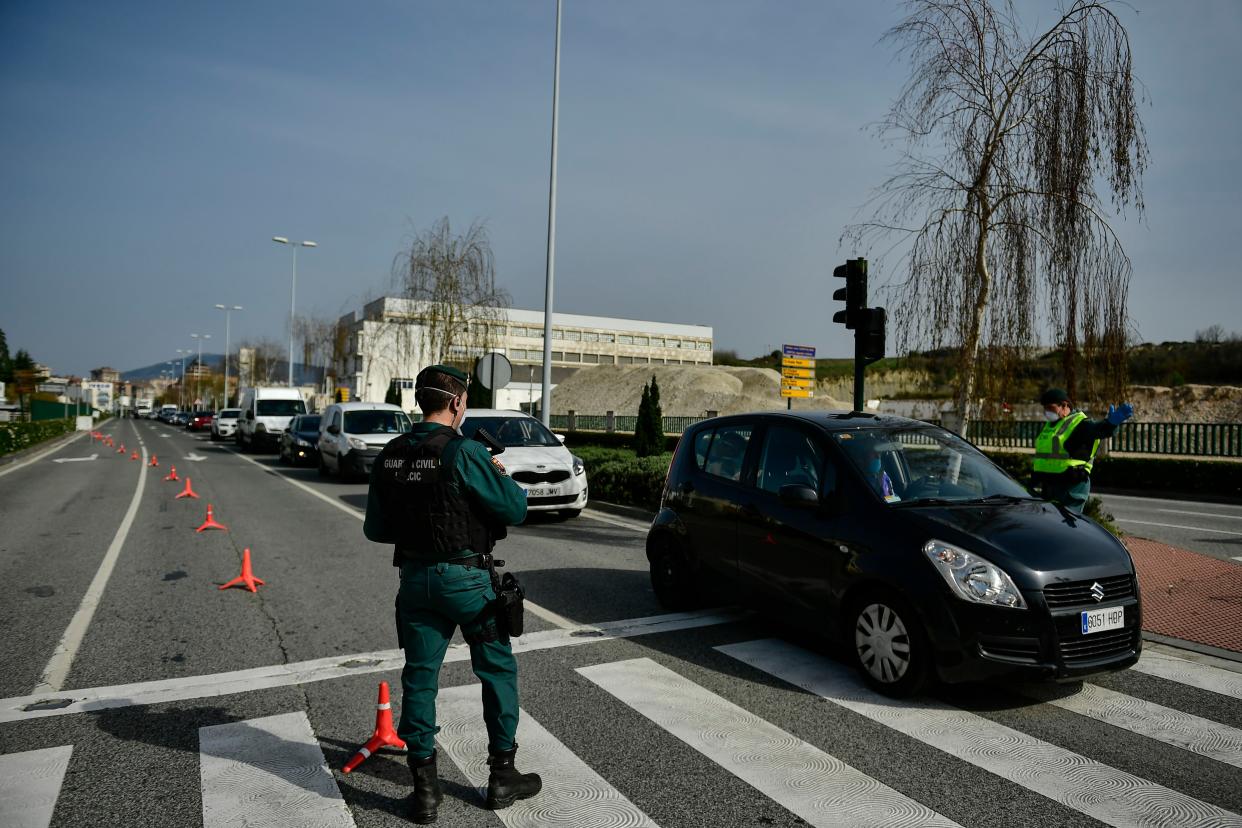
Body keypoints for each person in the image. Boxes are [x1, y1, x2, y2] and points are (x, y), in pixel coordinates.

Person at [363, 364, 540, 824]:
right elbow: (515, 509)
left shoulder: (391, 455)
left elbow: (376, 529)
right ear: (458, 403)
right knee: (497, 669)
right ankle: (503, 776)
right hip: (467, 582)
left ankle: (424, 793)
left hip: (415, 582)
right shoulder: (465, 453)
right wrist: (496, 475)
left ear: (420, 401)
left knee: (419, 679)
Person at [1031, 387, 1133, 514]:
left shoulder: (1080, 424)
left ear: (1064, 405)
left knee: (1065, 528)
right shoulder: (1051, 426)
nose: (1047, 412)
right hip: (1050, 485)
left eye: (1050, 408)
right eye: (1045, 408)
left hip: (1071, 488)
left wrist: (1111, 424)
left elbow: (1099, 430)